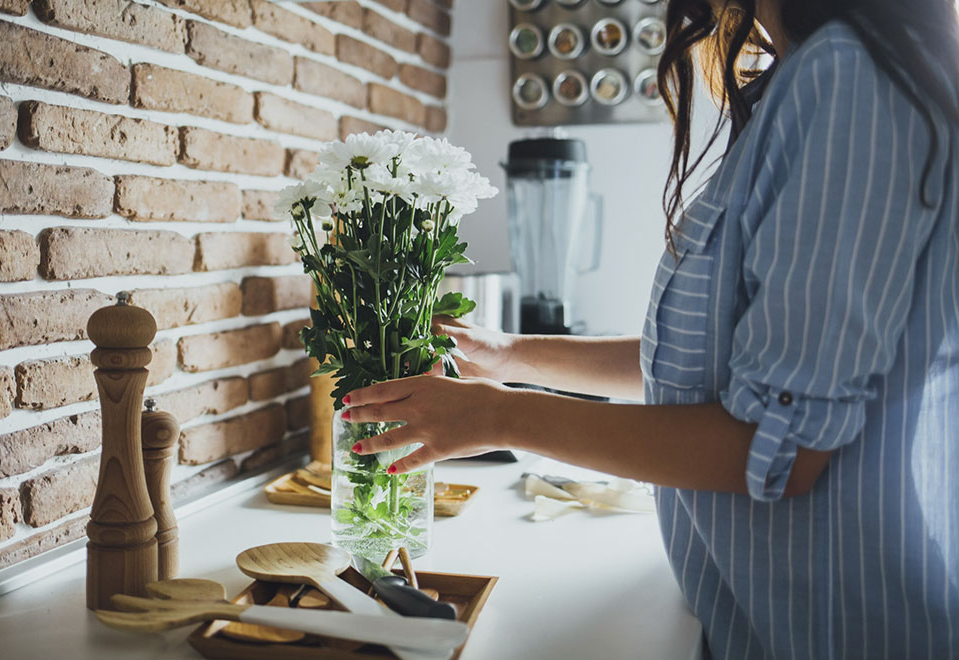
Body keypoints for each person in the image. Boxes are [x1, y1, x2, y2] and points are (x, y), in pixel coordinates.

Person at [341, 1, 959, 658]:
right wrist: (509, 355)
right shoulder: (812, 76)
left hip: (842, 627)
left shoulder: (847, 81)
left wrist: (499, 416)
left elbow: (779, 450)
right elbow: (721, 362)